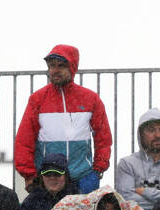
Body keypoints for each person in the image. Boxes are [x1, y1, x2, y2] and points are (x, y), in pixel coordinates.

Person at [14, 45, 111, 192]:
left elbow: (103, 138)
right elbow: (24, 140)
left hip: (82, 178)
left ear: (72, 67)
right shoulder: (37, 99)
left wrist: (97, 171)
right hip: (48, 177)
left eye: (61, 66)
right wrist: (29, 174)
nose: (55, 70)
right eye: (51, 66)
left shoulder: (90, 99)